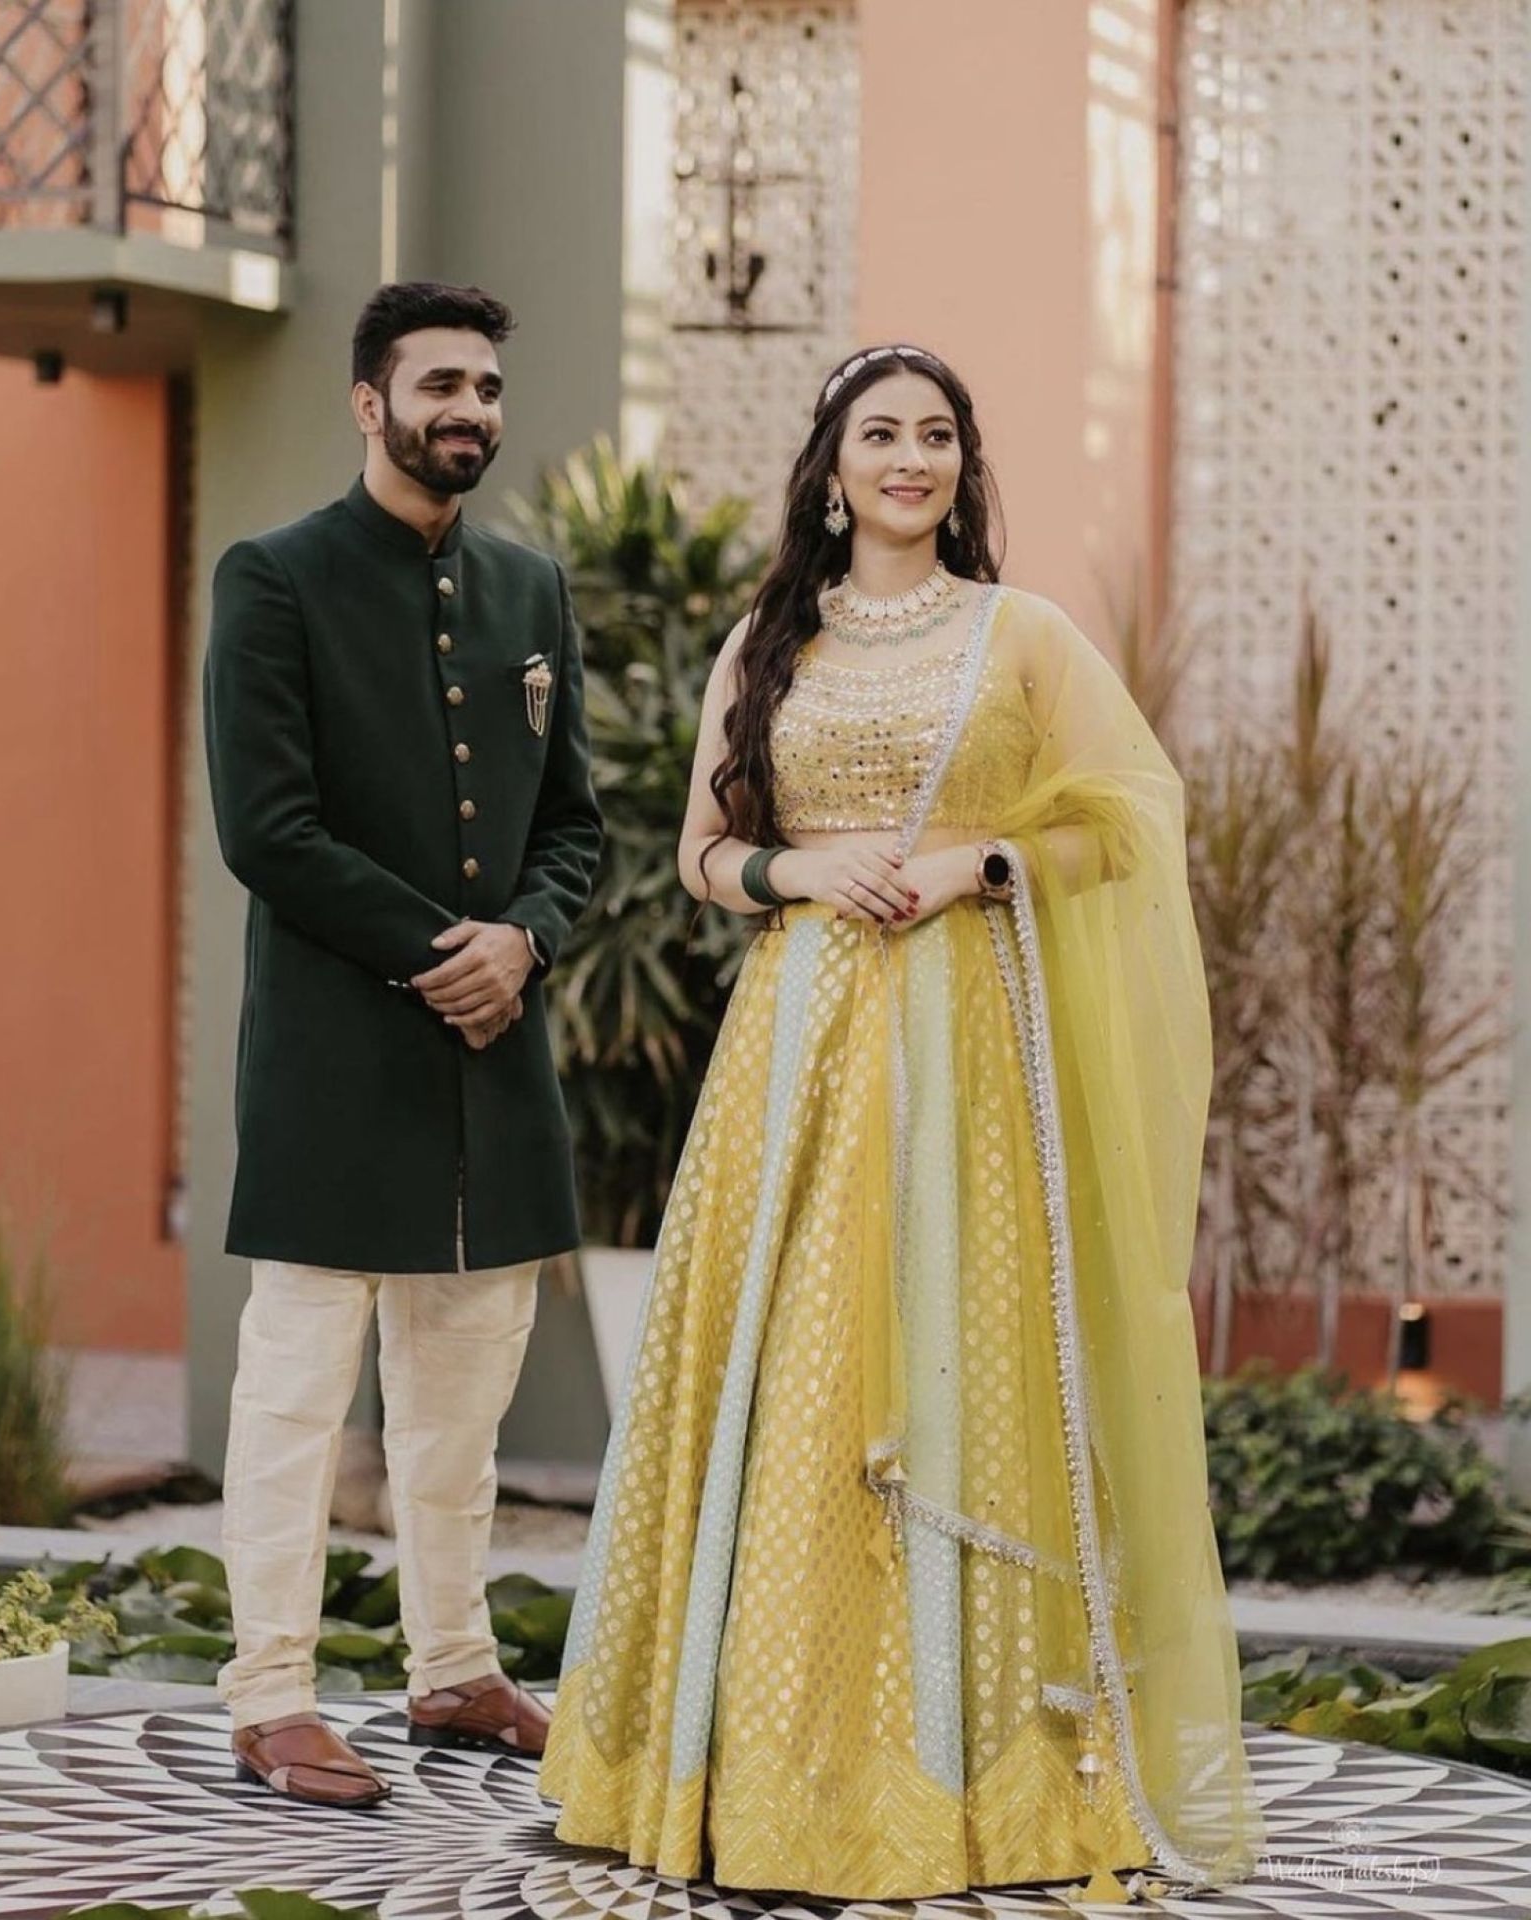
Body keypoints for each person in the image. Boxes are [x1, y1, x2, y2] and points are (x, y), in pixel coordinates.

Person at [539, 344, 1264, 1901]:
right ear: (832, 467)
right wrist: (800, 871)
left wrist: (974, 867)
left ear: (962, 467)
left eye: (938, 435)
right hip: (800, 1049)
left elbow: (1130, 818)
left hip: (974, 1055)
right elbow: (704, 855)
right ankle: (766, 1770)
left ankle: (982, 1779)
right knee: (798, 1373)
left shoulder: (1022, 633)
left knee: (965, 1365)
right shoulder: (768, 644)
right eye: (882, 433)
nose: (911, 458)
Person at [203, 281, 602, 1808]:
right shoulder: (276, 578)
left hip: (494, 1070)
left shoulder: (530, 590)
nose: (470, 411)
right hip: (333, 1067)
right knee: (297, 1402)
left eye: (486, 388)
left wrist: (527, 940)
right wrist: (454, 953)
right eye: (441, 385)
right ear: (370, 402)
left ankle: (453, 1668)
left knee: (462, 1406)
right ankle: (270, 1693)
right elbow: (268, 829)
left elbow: (571, 827)